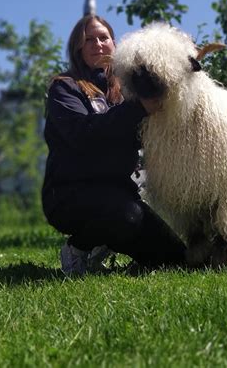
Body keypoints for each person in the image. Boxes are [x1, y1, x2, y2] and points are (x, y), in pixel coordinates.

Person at [42, 15, 186, 275]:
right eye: (88, 39)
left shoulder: (127, 92)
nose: (97, 44)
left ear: (114, 44)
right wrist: (137, 109)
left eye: (103, 38)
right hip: (69, 195)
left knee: (175, 257)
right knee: (126, 216)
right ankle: (79, 247)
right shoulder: (64, 88)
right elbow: (83, 135)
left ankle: (105, 241)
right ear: (77, 48)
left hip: (119, 195)